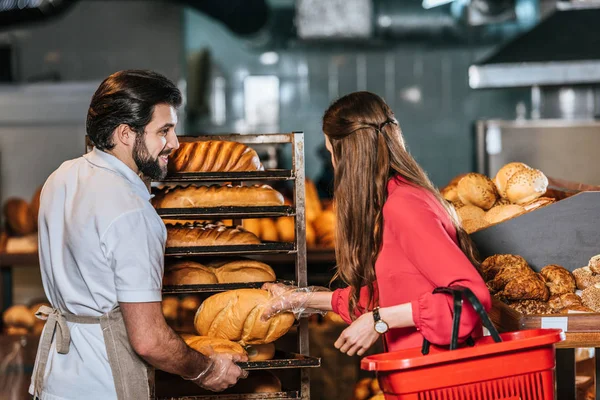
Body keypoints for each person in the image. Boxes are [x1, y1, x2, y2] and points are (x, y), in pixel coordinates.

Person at [30, 70, 247, 400]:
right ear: (125, 134)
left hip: (57, 381)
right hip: (105, 384)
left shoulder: (61, 177)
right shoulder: (130, 211)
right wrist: (205, 369)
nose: (174, 143)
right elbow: (149, 340)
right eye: (164, 131)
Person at [263, 91, 491, 357]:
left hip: (439, 378)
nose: (334, 166)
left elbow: (469, 301)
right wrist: (296, 299)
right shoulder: (393, 199)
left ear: (349, 156)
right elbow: (390, 295)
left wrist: (379, 320)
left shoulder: (405, 206)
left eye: (332, 154)